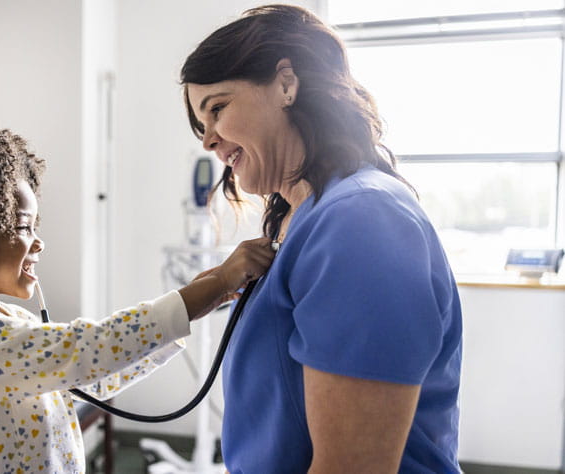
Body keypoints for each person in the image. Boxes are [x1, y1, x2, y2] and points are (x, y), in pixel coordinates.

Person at [0, 126, 274, 473]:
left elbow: (89, 378)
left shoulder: (1, 320)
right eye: (23, 227)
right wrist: (205, 291)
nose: (37, 243)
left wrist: (200, 303)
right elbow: (90, 348)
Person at [181, 5, 462, 473]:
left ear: (286, 84)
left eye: (218, 108)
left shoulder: (361, 220)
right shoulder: (308, 217)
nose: (207, 140)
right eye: (200, 124)